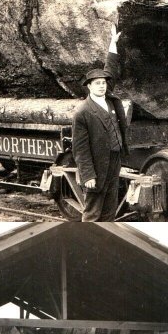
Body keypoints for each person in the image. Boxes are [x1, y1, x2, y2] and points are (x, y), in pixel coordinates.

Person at [71, 29, 129, 222]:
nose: (102, 86)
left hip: (114, 161)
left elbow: (110, 67)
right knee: (93, 211)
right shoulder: (83, 112)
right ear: (89, 86)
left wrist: (113, 42)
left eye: (104, 83)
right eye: (97, 83)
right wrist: (88, 175)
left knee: (109, 209)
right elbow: (80, 149)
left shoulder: (109, 98)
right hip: (96, 165)